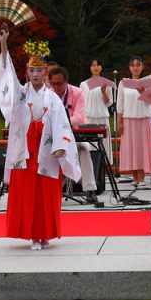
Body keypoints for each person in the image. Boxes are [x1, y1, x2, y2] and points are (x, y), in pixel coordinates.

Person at [0, 30, 81, 249]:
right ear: (26, 72)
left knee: (46, 194)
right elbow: (7, 76)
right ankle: (33, 235)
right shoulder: (20, 93)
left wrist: (62, 145)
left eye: (39, 70)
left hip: (47, 149)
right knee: (28, 194)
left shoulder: (52, 98)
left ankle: (45, 234)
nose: (35, 74)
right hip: (26, 150)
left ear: (46, 73)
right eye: (31, 70)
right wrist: (4, 46)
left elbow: (62, 122)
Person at [48, 65, 100, 205]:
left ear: (66, 81)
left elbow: (78, 117)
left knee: (84, 149)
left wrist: (61, 124)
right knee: (48, 153)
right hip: (56, 135)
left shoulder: (77, 93)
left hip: (75, 131)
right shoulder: (48, 93)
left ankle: (90, 190)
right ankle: (51, 190)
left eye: (59, 83)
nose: (56, 87)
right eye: (53, 84)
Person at [117, 55, 151, 187]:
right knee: (131, 148)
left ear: (142, 67)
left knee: (142, 148)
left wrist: (143, 92)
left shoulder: (149, 82)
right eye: (133, 65)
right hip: (129, 119)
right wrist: (119, 121)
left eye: (138, 65)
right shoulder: (123, 83)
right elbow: (120, 104)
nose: (135, 68)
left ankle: (142, 176)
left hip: (143, 119)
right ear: (129, 67)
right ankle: (134, 176)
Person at [80, 58, 114, 170]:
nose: (95, 67)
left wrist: (103, 92)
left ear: (101, 67)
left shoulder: (106, 83)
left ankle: (103, 171)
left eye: (98, 65)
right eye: (93, 65)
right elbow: (81, 102)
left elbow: (109, 103)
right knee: (90, 147)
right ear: (90, 67)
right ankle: (90, 170)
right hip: (89, 119)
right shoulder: (84, 84)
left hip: (102, 118)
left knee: (103, 146)